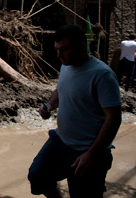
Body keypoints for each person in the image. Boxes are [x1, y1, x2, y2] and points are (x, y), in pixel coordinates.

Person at [28, 25, 122, 198]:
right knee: (38, 176)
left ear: (81, 45)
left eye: (64, 49)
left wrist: (92, 154)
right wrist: (49, 106)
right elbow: (61, 90)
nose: (59, 55)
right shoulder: (66, 65)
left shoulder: (102, 75)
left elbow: (114, 118)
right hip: (60, 141)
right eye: (57, 49)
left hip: (88, 150)